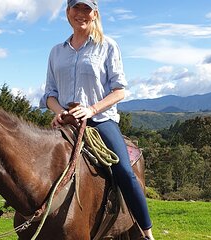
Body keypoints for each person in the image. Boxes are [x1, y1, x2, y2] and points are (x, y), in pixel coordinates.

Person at [39, 0, 154, 239]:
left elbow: (120, 90)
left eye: (86, 9)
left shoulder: (108, 46)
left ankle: (146, 231)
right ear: (67, 12)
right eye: (75, 8)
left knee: (124, 170)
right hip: (65, 123)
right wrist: (59, 111)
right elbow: (49, 94)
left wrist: (91, 110)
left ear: (95, 14)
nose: (80, 14)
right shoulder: (55, 51)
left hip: (100, 121)